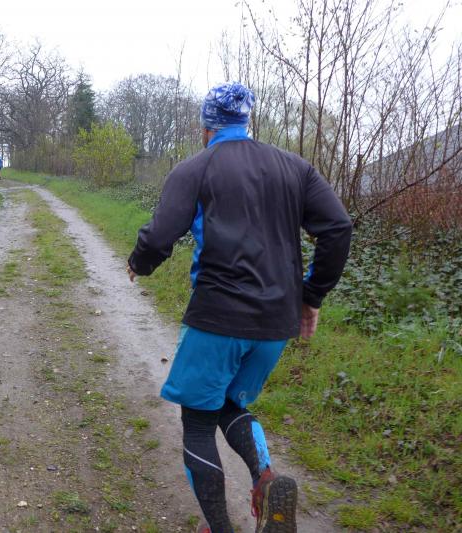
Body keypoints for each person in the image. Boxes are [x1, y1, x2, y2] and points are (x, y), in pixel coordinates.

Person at [126, 82, 352, 533]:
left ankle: (219, 528)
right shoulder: (295, 167)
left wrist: (140, 263)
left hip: (217, 317)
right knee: (230, 402)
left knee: (197, 422)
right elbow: (338, 228)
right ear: (247, 122)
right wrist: (311, 296)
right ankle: (267, 479)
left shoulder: (197, 167)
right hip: (275, 324)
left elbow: (161, 233)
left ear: (206, 127)